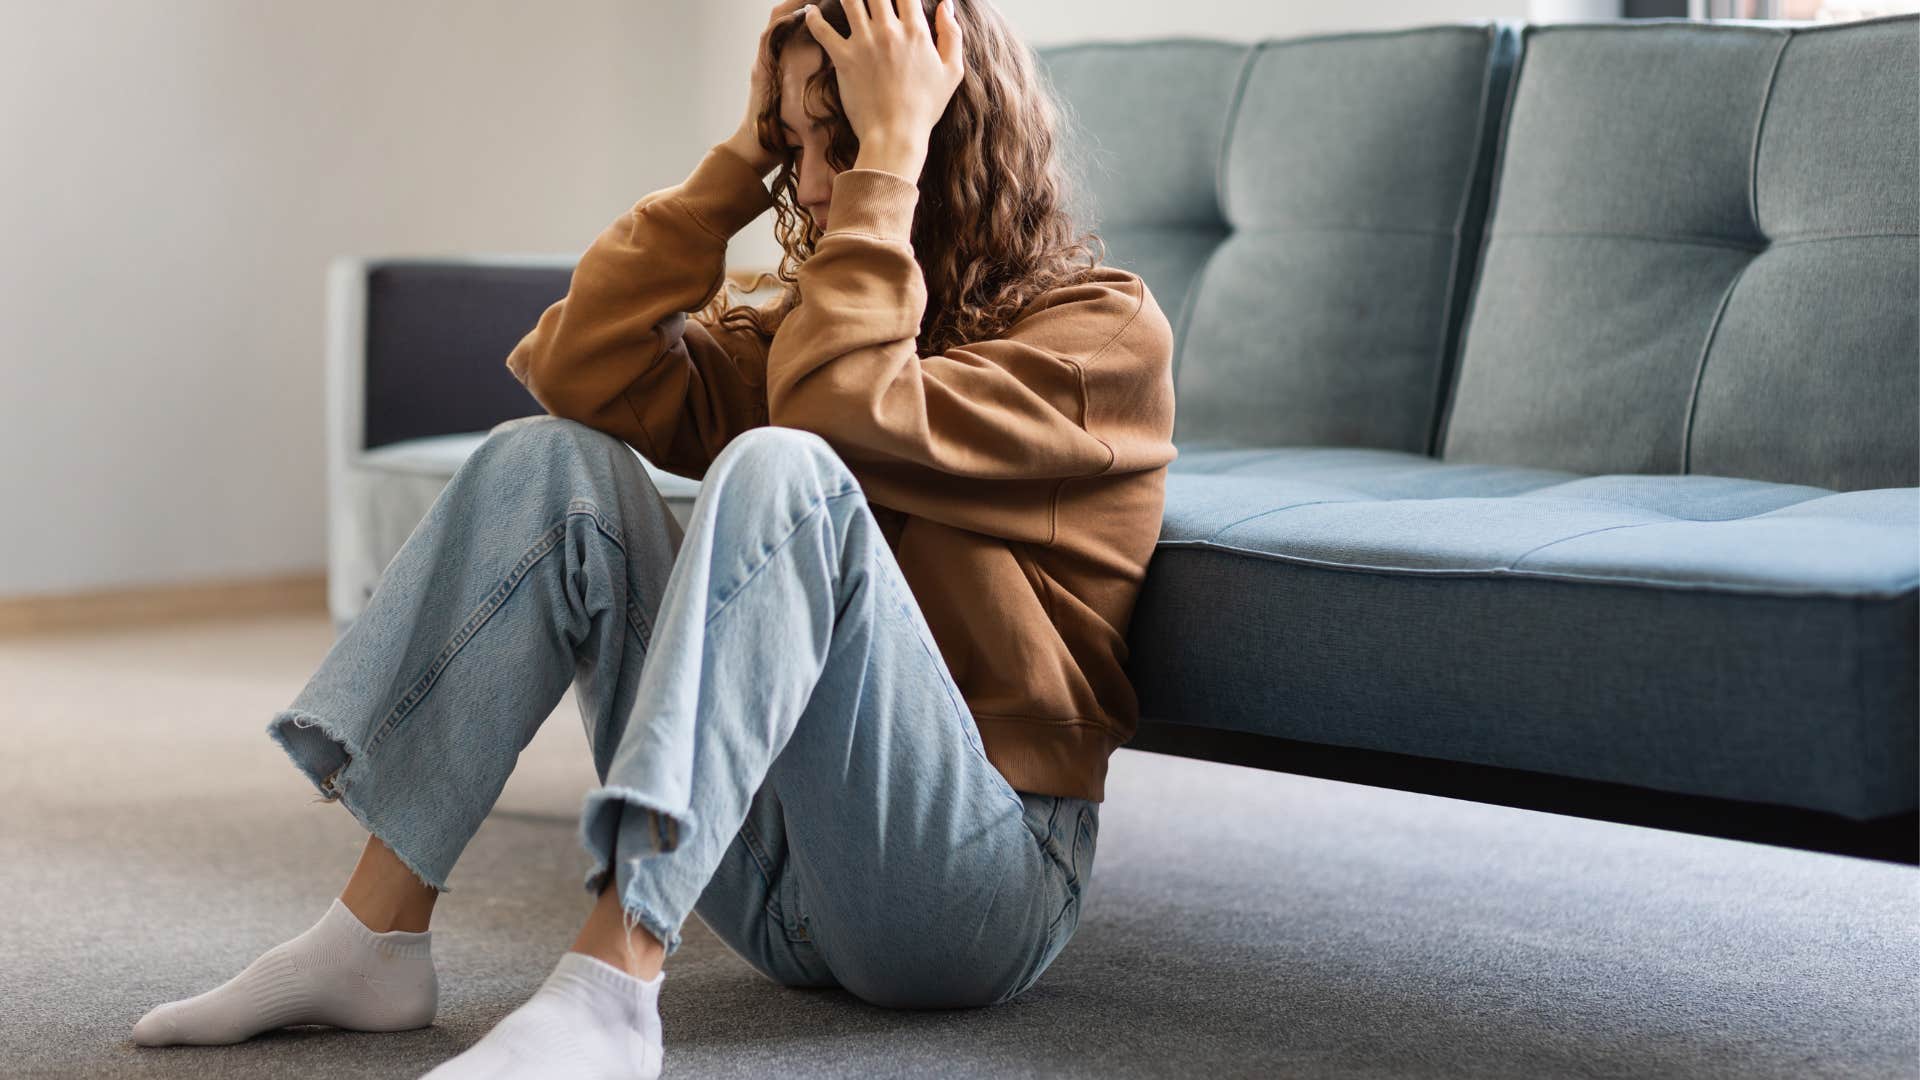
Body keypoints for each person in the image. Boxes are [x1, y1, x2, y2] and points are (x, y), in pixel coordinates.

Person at [130, 1, 1175, 1076]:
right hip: (772, 879)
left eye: (846, 139)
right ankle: (374, 940)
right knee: (549, 460)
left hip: (974, 889)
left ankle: (611, 986)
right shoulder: (805, 323)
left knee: (784, 465)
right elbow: (576, 364)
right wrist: (741, 156)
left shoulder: (1099, 336)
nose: (814, 189)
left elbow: (839, 411)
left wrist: (888, 160)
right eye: (799, 149)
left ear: (940, 134)